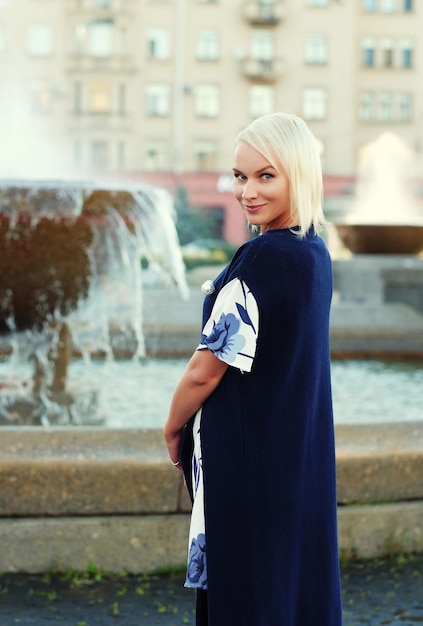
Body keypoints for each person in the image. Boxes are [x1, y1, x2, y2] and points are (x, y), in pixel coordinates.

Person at [164, 112, 343, 626]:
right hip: (296, 458)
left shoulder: (262, 258)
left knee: (246, 592)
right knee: (288, 586)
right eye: (240, 176)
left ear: (298, 174)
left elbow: (207, 368)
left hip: (249, 462)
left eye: (266, 176)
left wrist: (173, 426)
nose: (247, 191)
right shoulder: (314, 252)